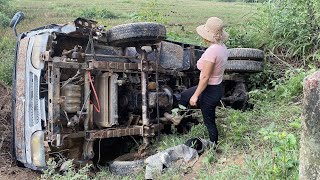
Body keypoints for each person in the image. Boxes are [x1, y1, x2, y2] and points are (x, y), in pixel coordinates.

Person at [180, 17, 229, 145]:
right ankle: (178, 120)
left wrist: (195, 96)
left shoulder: (211, 52)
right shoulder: (223, 48)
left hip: (210, 89)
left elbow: (205, 77)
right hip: (217, 86)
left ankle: (213, 145)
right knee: (185, 95)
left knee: (209, 120)